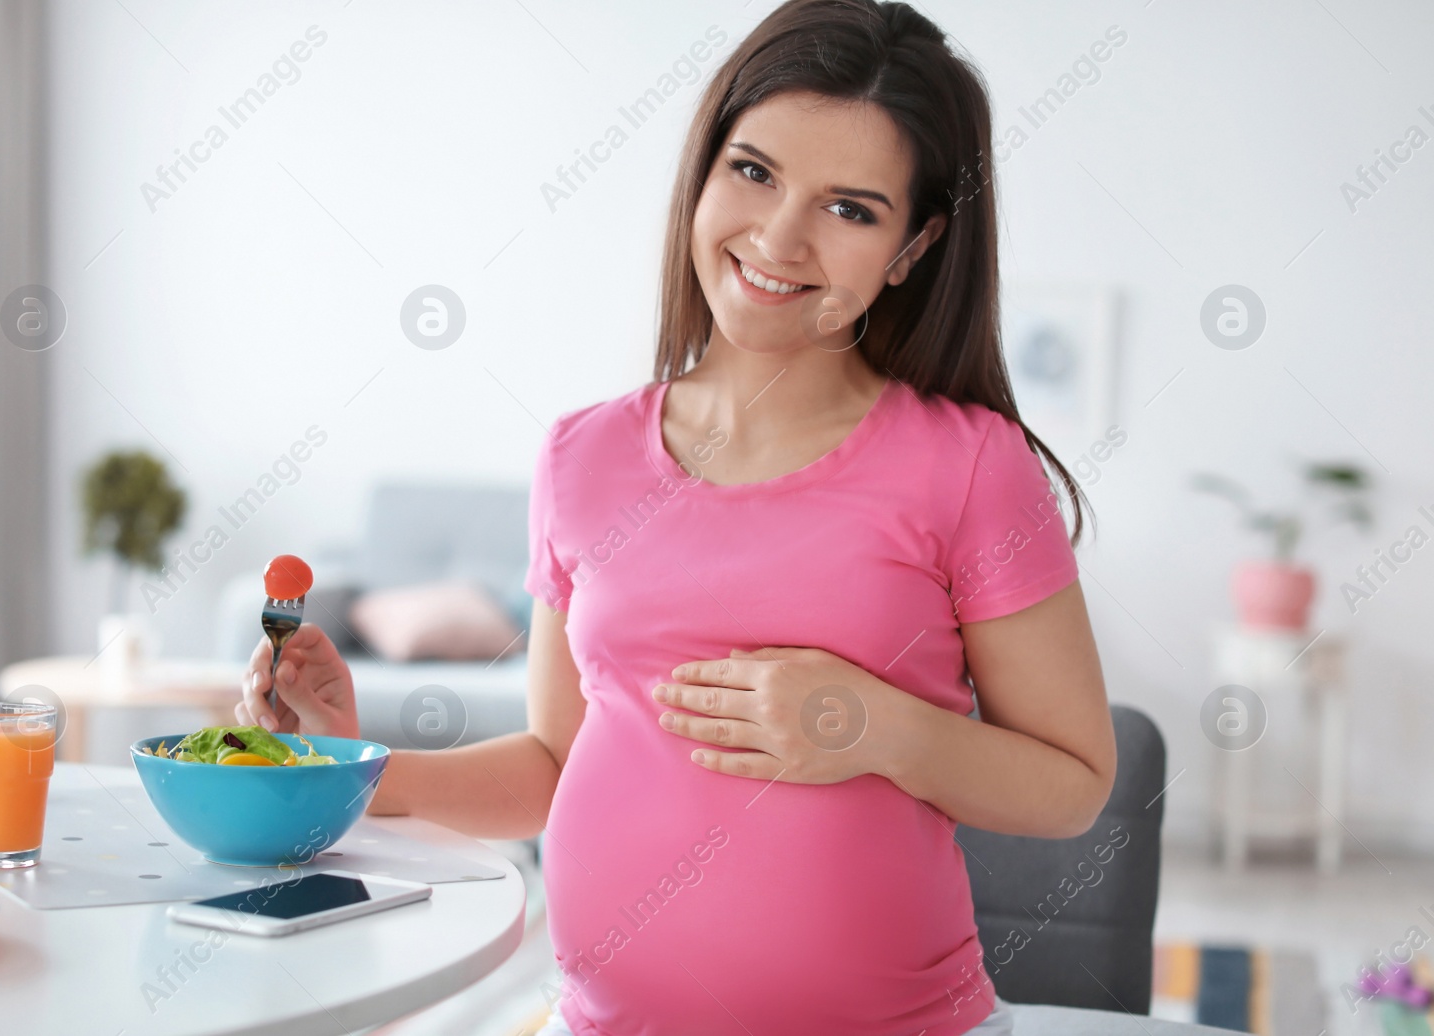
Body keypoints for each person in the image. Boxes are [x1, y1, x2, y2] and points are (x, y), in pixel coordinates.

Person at [237, 2, 1116, 1032]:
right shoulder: (581, 455)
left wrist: (872, 726)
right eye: (753, 171)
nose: (778, 237)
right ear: (701, 172)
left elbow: (1072, 785)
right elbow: (556, 766)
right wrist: (345, 769)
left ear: (913, 245)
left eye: (850, 208)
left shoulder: (965, 466)